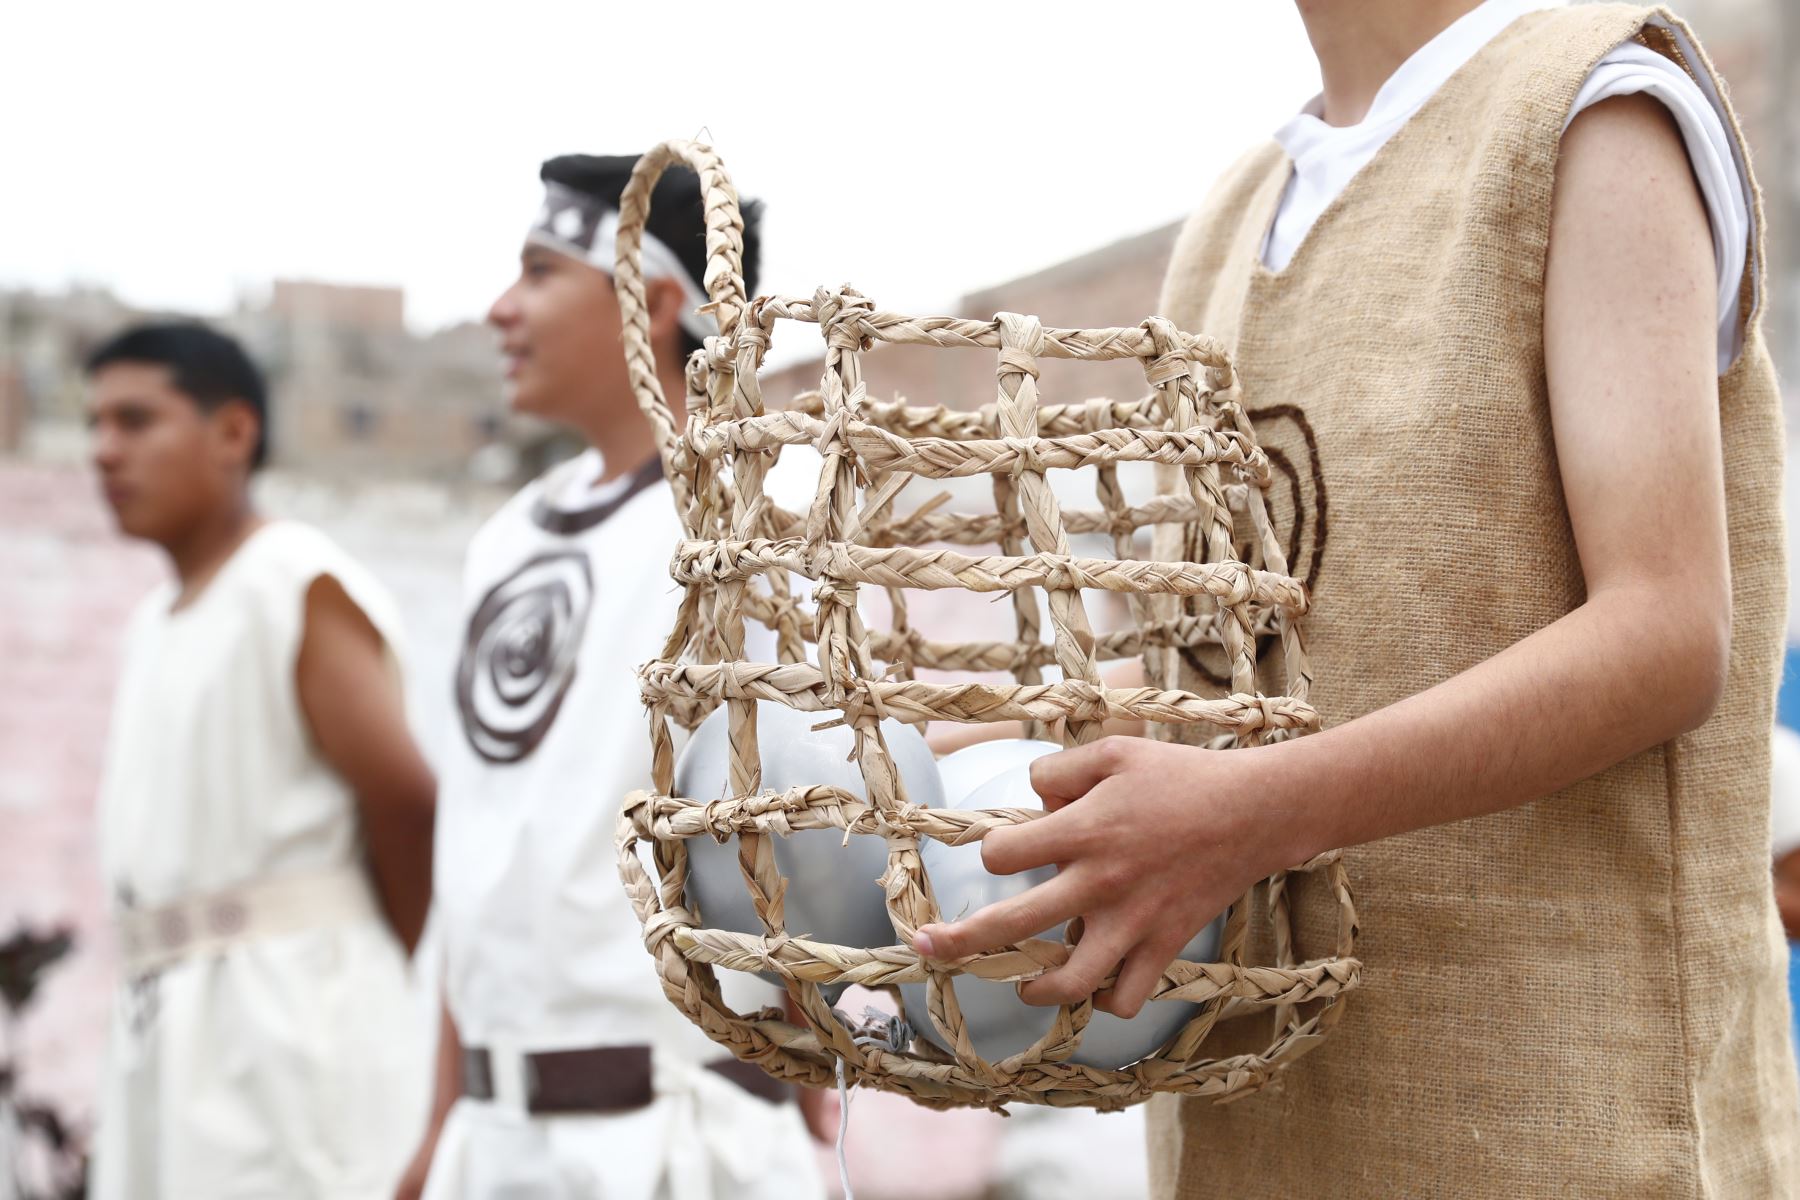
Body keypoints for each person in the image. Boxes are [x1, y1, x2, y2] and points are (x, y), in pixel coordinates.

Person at [914, 1, 1800, 1193]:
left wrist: (1249, 812)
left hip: (1558, 1132)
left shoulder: (1594, 106)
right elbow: (1225, 663)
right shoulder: (1231, 217)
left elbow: (1667, 636)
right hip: (1253, 1134)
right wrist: (929, 752)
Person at [399, 155, 826, 1200]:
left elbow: (817, 815)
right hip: (494, 1140)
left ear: (657, 299)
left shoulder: (750, 518)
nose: (502, 308)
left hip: (673, 1137)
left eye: (541, 272)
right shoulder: (506, 538)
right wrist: (441, 1123)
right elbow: (477, 844)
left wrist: (804, 1070)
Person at [85, 322, 436, 1198]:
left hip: (290, 1020)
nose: (104, 451)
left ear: (233, 431)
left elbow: (409, 806)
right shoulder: (153, 623)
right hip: (166, 1024)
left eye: (136, 420)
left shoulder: (293, 582)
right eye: (95, 424)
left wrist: (359, 972)